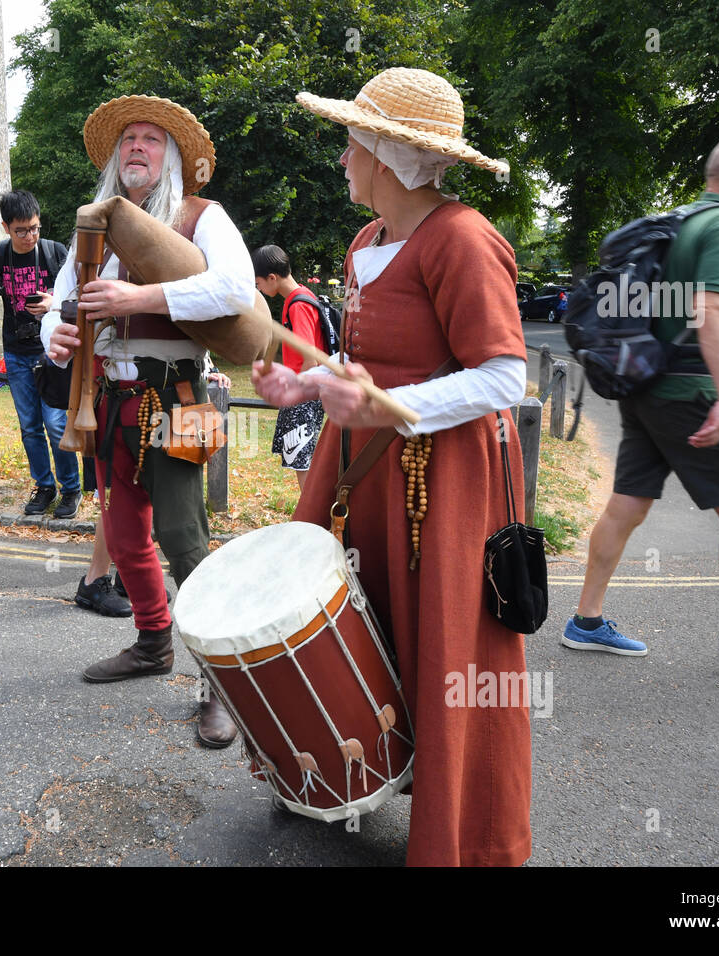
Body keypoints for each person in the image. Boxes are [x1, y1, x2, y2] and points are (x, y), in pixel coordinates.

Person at [253, 69, 531, 865]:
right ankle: (333, 775)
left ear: (390, 154)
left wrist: (389, 408)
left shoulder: (464, 239)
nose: (343, 158)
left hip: (437, 479)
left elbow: (503, 377)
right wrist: (304, 381)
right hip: (357, 469)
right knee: (337, 621)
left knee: (443, 643)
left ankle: (466, 836)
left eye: (353, 142)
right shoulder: (365, 242)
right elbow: (356, 360)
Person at [563, 133, 719, 674]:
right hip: (691, 392)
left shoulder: (678, 222)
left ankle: (585, 622)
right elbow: (713, 309)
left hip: (645, 385)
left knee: (627, 505)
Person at [43, 95, 254, 748]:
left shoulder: (202, 217)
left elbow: (237, 291)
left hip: (183, 397)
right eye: (128, 139)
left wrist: (143, 296)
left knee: (184, 538)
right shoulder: (93, 229)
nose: (136, 147)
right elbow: (58, 304)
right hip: (109, 400)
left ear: (172, 160)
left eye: (150, 140)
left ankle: (222, 684)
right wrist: (55, 331)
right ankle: (154, 642)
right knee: (124, 534)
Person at [0, 190, 79, 519]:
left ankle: (71, 489)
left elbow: (79, 290)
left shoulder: (55, 252)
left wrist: (53, 304)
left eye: (35, 228)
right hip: (16, 350)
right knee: (29, 426)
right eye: (21, 231)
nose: (29, 237)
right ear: (5, 227)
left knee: (56, 423)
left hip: (52, 351)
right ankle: (44, 486)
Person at [253, 243, 325, 490]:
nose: (259, 289)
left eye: (259, 283)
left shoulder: (297, 304)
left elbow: (310, 359)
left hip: (304, 394)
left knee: (301, 459)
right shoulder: (300, 297)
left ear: (272, 278)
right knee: (299, 458)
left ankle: (309, 516)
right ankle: (308, 514)